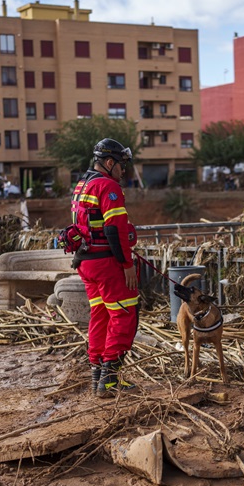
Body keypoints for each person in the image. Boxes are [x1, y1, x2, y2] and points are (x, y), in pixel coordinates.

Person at [70, 138, 139, 398]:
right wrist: (127, 264)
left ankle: (97, 376)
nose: (123, 171)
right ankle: (110, 380)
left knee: (100, 316)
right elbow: (114, 229)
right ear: (109, 163)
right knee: (123, 315)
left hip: (86, 262)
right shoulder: (108, 186)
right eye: (121, 165)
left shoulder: (82, 185)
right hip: (108, 264)